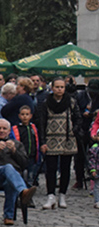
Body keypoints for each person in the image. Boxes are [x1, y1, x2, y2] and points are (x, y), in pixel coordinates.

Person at [0, 118, 38, 224]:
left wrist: (14, 151)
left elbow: (24, 163)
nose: (1, 131)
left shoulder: (17, 144)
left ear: (9, 131)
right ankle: (23, 191)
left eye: (4, 129)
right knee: (8, 167)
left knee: (10, 181)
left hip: (12, 176)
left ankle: (8, 217)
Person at [38, 77, 81, 209]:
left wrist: (75, 128)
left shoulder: (71, 102)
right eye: (57, 87)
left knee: (65, 168)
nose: (59, 89)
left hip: (67, 138)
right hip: (51, 138)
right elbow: (41, 123)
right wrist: (43, 141)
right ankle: (50, 195)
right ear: (52, 88)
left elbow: (78, 118)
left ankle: (62, 194)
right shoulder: (46, 103)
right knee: (50, 168)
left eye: (62, 87)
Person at [10, 105, 41, 187]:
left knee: (31, 173)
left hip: (32, 155)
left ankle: (30, 186)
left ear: (30, 116)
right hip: (21, 156)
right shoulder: (16, 128)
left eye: (27, 114)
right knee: (22, 172)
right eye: (23, 114)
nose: (25, 116)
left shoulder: (33, 128)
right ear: (19, 116)